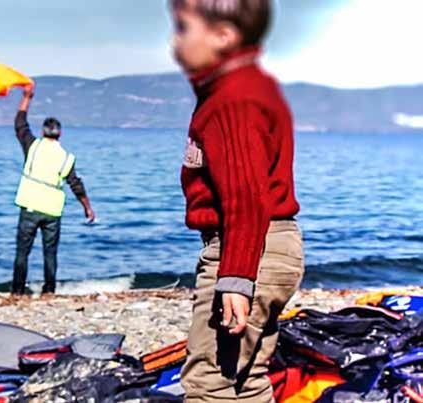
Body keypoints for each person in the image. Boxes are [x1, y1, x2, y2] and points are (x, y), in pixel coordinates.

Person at [169, 0, 305, 401]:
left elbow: (246, 195)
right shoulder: (244, 88)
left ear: (223, 35)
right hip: (271, 249)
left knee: (208, 382)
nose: (174, 42)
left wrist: (235, 278)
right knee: (245, 379)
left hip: (247, 249)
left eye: (182, 28)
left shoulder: (231, 99)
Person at [12, 83, 95, 295]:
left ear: (43, 132)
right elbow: (76, 184)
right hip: (52, 212)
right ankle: (49, 291)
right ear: (60, 134)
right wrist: (88, 208)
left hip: (30, 206)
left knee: (23, 252)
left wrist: (27, 98)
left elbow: (20, 123)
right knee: (50, 253)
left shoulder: (33, 146)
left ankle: (18, 291)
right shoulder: (66, 157)